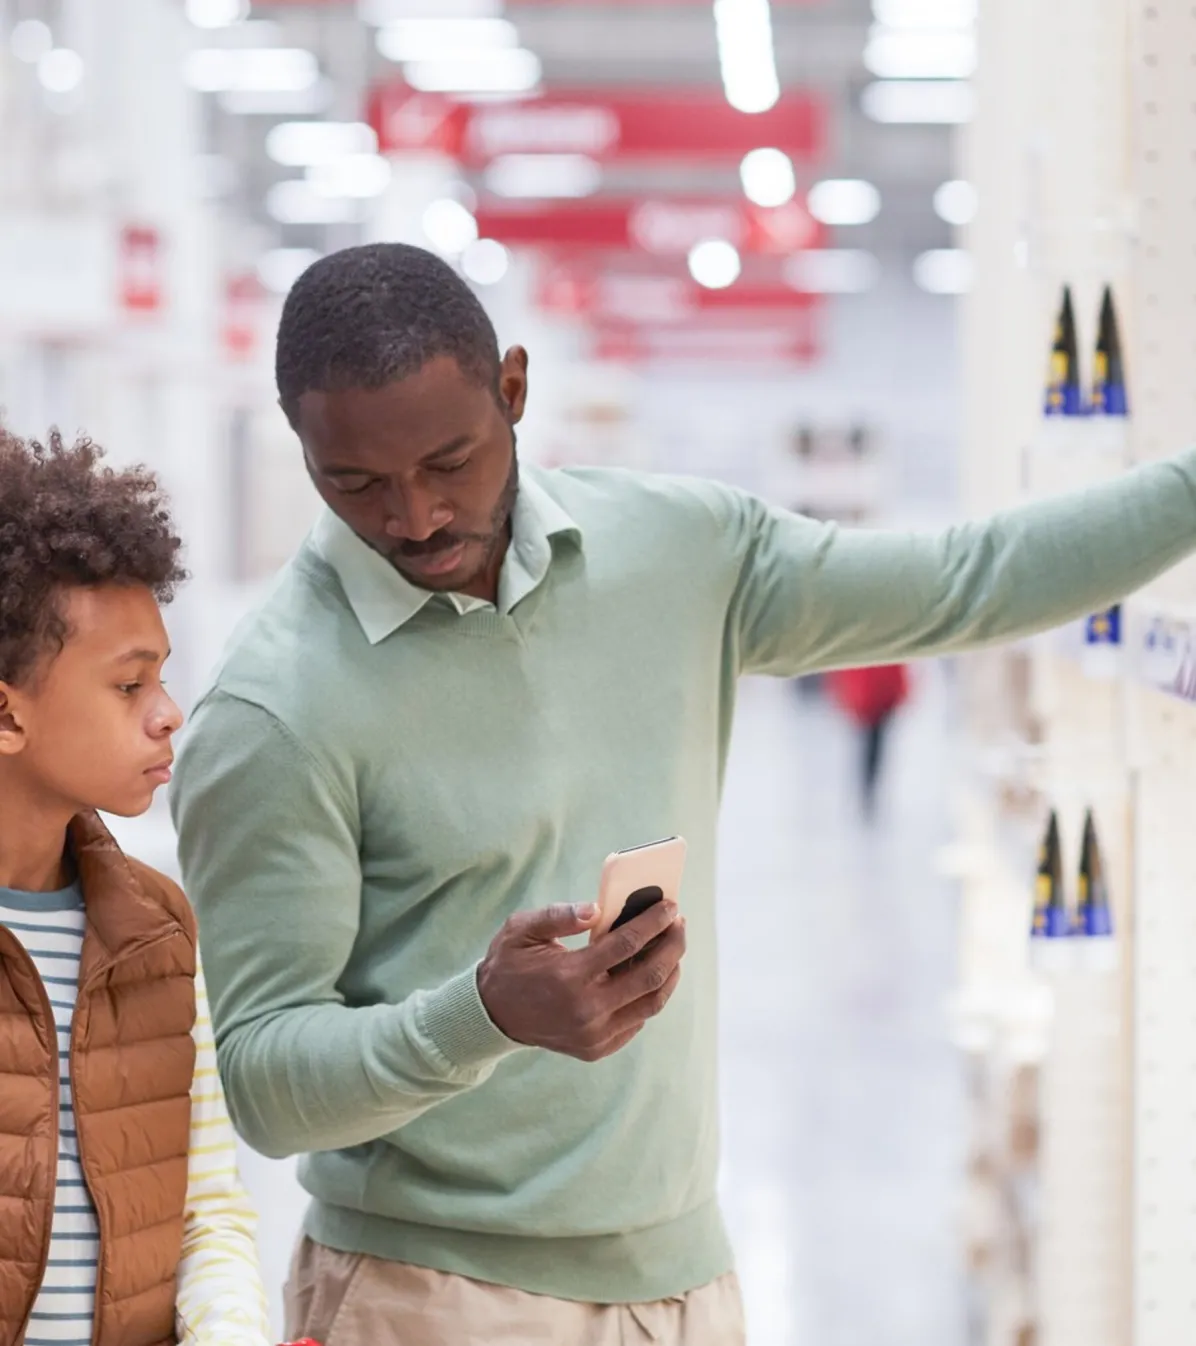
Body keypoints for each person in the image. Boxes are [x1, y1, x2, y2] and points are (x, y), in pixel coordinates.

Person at [170, 243, 1196, 1346]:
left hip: (686, 1282)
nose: (415, 517)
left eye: (449, 461)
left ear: (513, 388)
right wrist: (481, 1016)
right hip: (430, 1296)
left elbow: (965, 581)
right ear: (303, 451)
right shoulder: (273, 710)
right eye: (356, 483)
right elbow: (265, 1084)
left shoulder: (678, 550)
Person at [0, 429, 271, 1346]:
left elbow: (207, 1212)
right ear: (6, 711)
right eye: (129, 686)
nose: (169, 713)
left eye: (161, 674)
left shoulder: (156, 928)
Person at [825, 662, 911, 817]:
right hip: (869, 698)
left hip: (875, 699)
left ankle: (867, 792)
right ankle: (866, 792)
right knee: (869, 749)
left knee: (871, 749)